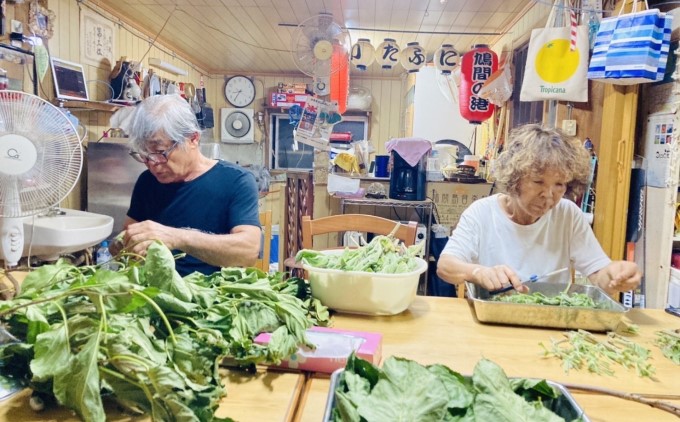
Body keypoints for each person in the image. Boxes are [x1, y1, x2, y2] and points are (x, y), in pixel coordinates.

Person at [436, 124, 641, 296]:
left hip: (550, 319)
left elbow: (599, 274)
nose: (548, 195)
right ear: (514, 178)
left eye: (559, 184)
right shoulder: (481, 213)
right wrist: (478, 272)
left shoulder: (567, 215)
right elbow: (446, 266)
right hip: (491, 318)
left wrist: (616, 275)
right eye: (538, 181)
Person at [113, 94, 261, 276]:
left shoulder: (236, 181)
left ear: (193, 139)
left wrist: (176, 237)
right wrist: (122, 245)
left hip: (212, 294)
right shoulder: (147, 181)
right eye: (144, 155)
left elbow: (248, 251)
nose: (153, 163)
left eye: (160, 152)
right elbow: (125, 243)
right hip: (153, 291)